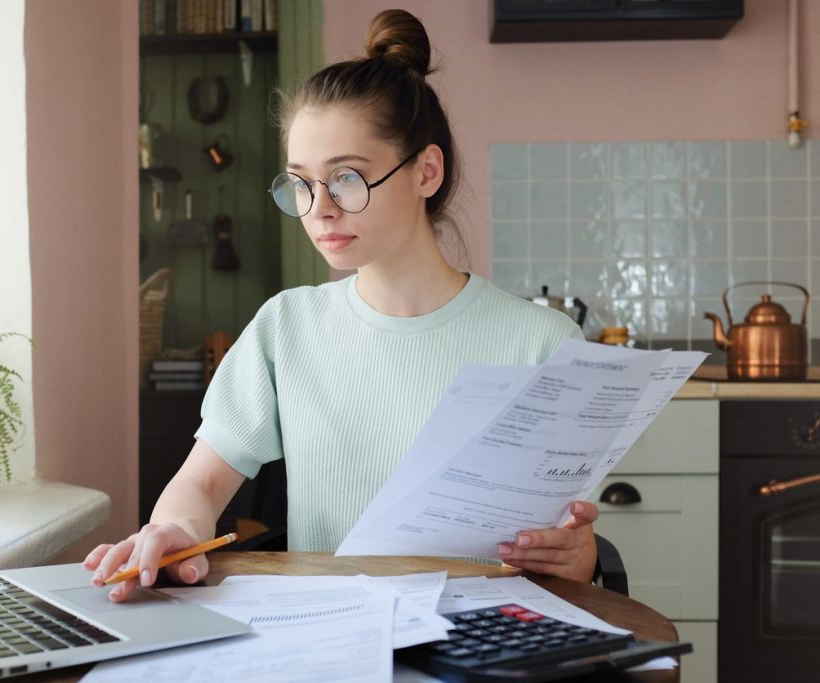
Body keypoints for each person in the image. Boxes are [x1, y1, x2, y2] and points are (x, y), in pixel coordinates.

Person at [86, 9, 599, 601]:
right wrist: (173, 529)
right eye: (301, 183)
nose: (319, 208)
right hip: (328, 638)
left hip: (486, 641)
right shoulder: (287, 328)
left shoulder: (544, 343)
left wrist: (577, 556)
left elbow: (568, 549)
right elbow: (200, 482)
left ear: (426, 171)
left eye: (348, 178)